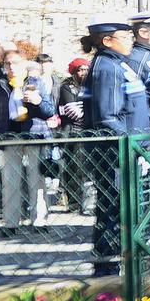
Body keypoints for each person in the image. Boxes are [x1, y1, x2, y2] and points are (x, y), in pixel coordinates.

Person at [81, 16, 150, 276]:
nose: (130, 40)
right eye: (125, 36)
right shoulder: (107, 67)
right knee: (113, 208)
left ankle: (116, 261)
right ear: (107, 41)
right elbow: (107, 116)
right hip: (115, 153)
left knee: (121, 207)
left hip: (124, 149)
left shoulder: (117, 64)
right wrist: (132, 146)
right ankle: (107, 267)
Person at [0, 50, 56, 235]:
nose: (12, 67)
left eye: (15, 63)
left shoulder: (36, 83)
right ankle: (11, 223)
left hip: (34, 135)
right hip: (10, 137)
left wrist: (37, 101)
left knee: (37, 180)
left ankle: (39, 221)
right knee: (10, 181)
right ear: (3, 66)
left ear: (23, 65)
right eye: (8, 64)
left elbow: (49, 111)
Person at [57, 57, 93, 214]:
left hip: (88, 133)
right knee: (73, 167)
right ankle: (73, 202)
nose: (84, 72)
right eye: (80, 69)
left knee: (87, 169)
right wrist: (88, 112)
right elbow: (73, 111)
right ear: (74, 72)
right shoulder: (67, 88)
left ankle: (86, 203)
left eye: (86, 69)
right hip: (73, 133)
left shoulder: (91, 86)